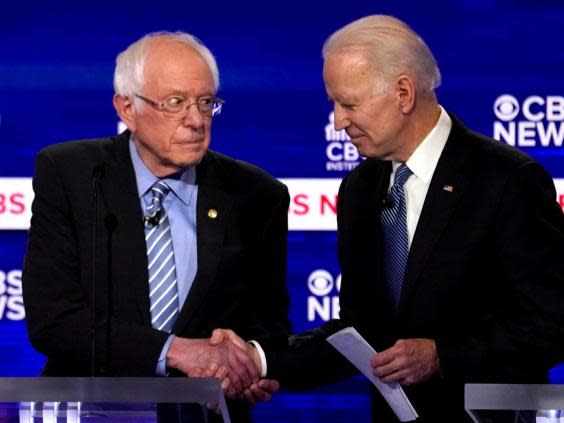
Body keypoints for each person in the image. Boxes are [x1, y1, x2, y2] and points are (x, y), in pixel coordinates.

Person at [213, 15, 564, 422]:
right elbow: (361, 333)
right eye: (334, 104)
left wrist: (441, 356)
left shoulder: (506, 181)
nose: (338, 121)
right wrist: (259, 360)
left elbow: (552, 322)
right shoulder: (360, 189)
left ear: (402, 93)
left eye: (349, 103)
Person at [22, 31, 290, 422]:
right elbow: (54, 320)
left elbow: (270, 322)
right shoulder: (72, 175)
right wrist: (177, 350)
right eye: (175, 103)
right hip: (92, 408)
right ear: (127, 108)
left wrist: (250, 363)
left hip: (204, 414)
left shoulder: (255, 194)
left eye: (205, 102)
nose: (196, 120)